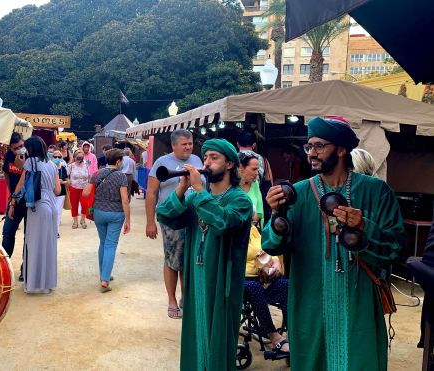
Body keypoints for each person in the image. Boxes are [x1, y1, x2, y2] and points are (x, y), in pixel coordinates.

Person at [262, 116, 405, 371]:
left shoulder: (376, 191)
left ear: (341, 149)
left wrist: (364, 226)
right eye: (309, 147)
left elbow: (395, 247)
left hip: (358, 300)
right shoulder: (299, 193)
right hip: (310, 303)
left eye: (319, 146)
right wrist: (276, 216)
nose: (312, 153)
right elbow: (272, 245)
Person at [156, 138, 253, 370]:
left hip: (221, 283)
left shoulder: (240, 200)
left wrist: (198, 189)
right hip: (196, 278)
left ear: (230, 164)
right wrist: (181, 189)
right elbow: (166, 216)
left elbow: (222, 222)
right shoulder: (194, 197)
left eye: (214, 158)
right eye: (206, 157)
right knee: (196, 331)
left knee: (217, 337)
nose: (206, 162)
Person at [146, 129, 204, 319]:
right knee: (173, 259)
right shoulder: (162, 163)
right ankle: (171, 299)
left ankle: (185, 297)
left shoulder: (197, 160)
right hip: (171, 218)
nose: (188, 146)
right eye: (184, 143)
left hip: (194, 217)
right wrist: (150, 222)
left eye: (190, 143)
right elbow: (151, 193)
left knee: (189, 258)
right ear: (173, 145)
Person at [238, 152, 289, 355]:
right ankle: (273, 335)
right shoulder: (233, 232)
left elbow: (265, 243)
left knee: (287, 285)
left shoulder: (253, 228)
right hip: (241, 280)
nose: (257, 174)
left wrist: (274, 261)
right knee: (253, 288)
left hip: (260, 276)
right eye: (252, 169)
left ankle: (293, 332)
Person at [9, 136, 61, 294]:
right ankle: (47, 283)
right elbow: (57, 190)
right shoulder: (52, 164)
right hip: (51, 205)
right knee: (48, 245)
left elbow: (20, 184)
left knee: (33, 244)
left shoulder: (30, 163)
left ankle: (32, 284)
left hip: (37, 205)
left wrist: (12, 202)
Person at [82, 148, 130, 292]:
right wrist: (128, 220)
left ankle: (104, 273)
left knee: (103, 243)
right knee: (110, 245)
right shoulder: (121, 176)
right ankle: (105, 280)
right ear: (118, 161)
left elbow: (85, 193)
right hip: (116, 214)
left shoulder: (96, 174)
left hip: (99, 213)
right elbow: (125, 200)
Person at [2, 132, 27, 281]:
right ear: (11, 148)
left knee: (28, 237)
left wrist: (23, 166)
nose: (20, 149)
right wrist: (11, 194)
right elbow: (6, 173)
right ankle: (4, 266)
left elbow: (25, 179)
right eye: (17, 147)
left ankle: (26, 268)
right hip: (14, 202)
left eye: (22, 145)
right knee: (8, 232)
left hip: (29, 202)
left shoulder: (30, 155)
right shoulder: (9, 156)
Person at [67, 149, 90, 229]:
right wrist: (68, 180)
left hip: (84, 188)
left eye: (81, 157)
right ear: (75, 157)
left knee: (85, 204)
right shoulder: (71, 166)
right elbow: (67, 175)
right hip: (74, 188)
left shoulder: (86, 165)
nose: (80, 158)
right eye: (78, 157)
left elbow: (89, 175)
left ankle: (82, 220)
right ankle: (75, 221)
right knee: (74, 205)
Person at [53, 150, 69, 237]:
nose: (57, 158)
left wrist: (63, 182)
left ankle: (56, 231)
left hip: (61, 192)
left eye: (59, 157)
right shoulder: (50, 168)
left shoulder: (63, 168)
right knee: (51, 212)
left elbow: (67, 180)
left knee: (58, 212)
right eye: (55, 157)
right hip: (51, 192)